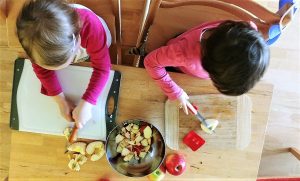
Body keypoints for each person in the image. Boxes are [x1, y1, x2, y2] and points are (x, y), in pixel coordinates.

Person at [16, 0, 112, 129]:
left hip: (98, 34)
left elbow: (103, 68)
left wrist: (87, 103)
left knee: (105, 46)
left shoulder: (91, 28)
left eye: (67, 62)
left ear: (76, 42)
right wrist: (60, 101)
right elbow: (42, 72)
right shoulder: (35, 45)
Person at [144, 20, 270, 114]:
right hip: (178, 65)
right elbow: (150, 62)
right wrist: (175, 92)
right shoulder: (183, 54)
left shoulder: (243, 30)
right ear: (208, 67)